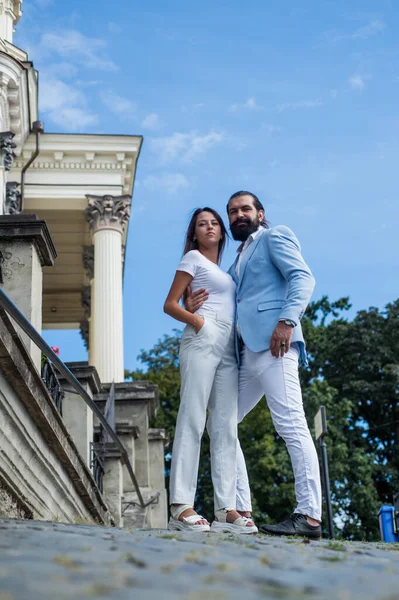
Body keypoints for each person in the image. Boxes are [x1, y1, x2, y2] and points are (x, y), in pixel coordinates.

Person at [186, 191, 322, 539]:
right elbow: (225, 294)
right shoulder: (236, 260)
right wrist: (191, 301)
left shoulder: (275, 236)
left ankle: (308, 515)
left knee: (291, 424)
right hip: (247, 353)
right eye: (233, 211)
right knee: (221, 421)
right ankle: (241, 509)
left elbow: (302, 278)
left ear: (261, 213)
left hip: (276, 345)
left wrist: (287, 322)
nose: (238, 215)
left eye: (245, 209)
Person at [163, 207, 258, 534]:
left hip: (229, 343)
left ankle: (225, 509)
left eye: (215, 222)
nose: (210, 227)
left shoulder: (225, 272)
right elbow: (170, 303)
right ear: (194, 233)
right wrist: (198, 321)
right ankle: (180, 505)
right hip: (203, 337)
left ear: (222, 231)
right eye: (202, 224)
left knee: (225, 425)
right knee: (192, 417)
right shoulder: (192, 259)